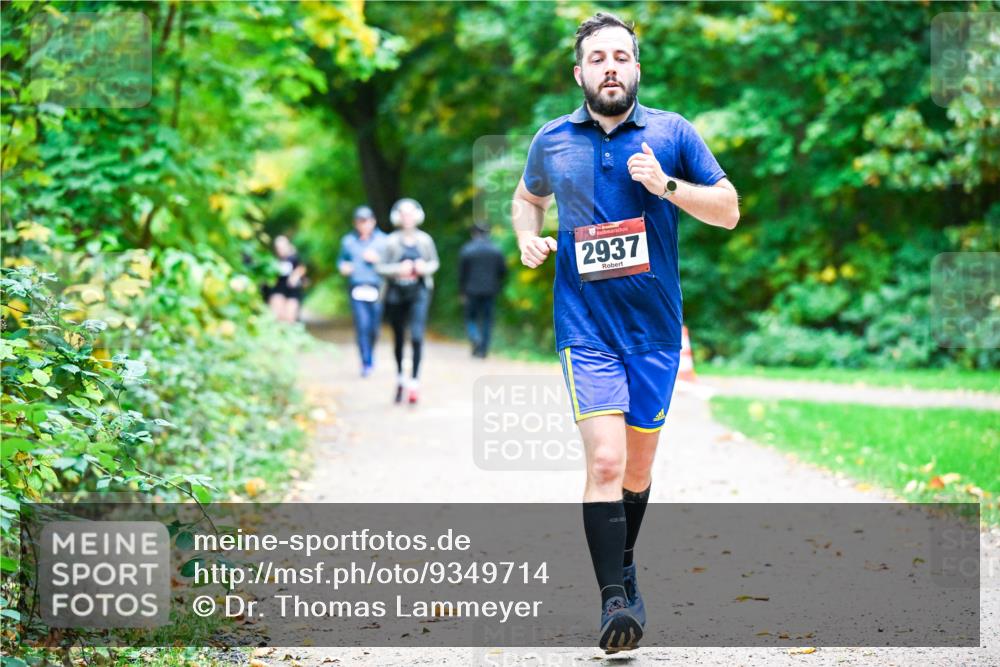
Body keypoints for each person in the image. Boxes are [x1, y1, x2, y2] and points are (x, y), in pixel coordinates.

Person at [511, 12, 740, 654]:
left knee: (636, 470)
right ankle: (615, 601)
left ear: (636, 67)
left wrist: (665, 186)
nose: (610, 66)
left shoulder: (673, 133)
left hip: (656, 330)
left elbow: (728, 210)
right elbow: (527, 197)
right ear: (579, 71)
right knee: (605, 461)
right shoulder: (552, 139)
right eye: (598, 57)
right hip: (583, 327)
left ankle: (625, 561)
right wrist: (529, 238)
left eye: (621, 56)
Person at [376, 198, 440, 405]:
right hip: (395, 294)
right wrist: (397, 270)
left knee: (417, 336)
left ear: (417, 216)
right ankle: (400, 378)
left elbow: (434, 263)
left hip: (418, 293)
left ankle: (414, 382)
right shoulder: (390, 241)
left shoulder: (425, 240)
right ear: (397, 217)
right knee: (398, 338)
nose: (407, 218)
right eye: (403, 214)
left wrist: (423, 268)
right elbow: (380, 267)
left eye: (411, 213)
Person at [338, 205, 387, 377]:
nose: (364, 225)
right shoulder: (348, 242)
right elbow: (341, 262)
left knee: (374, 328)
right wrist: (344, 268)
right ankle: (366, 362)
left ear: (373, 222)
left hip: (376, 287)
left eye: (367, 221)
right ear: (355, 223)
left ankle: (370, 354)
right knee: (362, 325)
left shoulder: (383, 240)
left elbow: (392, 262)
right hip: (357, 287)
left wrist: (378, 260)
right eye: (360, 222)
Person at [458, 223, 508, 358]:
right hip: (490, 291)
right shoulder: (496, 250)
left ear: (474, 233)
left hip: (471, 290)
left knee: (471, 317)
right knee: (487, 320)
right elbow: (503, 271)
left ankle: (474, 336)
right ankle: (483, 350)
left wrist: (462, 291)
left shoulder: (467, 249)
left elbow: (462, 274)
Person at [268, 234, 306, 323]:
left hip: (292, 289)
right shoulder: (273, 260)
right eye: (278, 247)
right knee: (278, 316)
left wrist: (295, 276)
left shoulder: (294, 258)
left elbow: (302, 268)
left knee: (290, 318)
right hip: (278, 288)